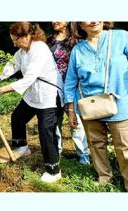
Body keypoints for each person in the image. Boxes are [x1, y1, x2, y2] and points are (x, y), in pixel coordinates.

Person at [0, 22, 63, 183]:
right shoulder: (22, 51)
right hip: (34, 93)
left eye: (16, 40)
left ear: (26, 36)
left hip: (49, 95)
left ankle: (54, 170)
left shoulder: (39, 49)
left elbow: (28, 79)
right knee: (18, 117)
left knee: (45, 132)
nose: (14, 43)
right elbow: (8, 69)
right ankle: (22, 147)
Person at [64, 21, 128, 190]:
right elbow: (70, 81)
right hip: (89, 106)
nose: (93, 20)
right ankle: (104, 177)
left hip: (120, 103)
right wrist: (71, 110)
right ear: (80, 24)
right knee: (95, 144)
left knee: (125, 147)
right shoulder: (78, 50)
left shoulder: (122, 37)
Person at [47, 21, 90, 165]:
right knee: (54, 123)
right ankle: (56, 153)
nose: (54, 21)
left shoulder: (78, 41)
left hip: (74, 88)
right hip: (53, 89)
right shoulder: (48, 40)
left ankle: (83, 155)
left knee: (76, 123)